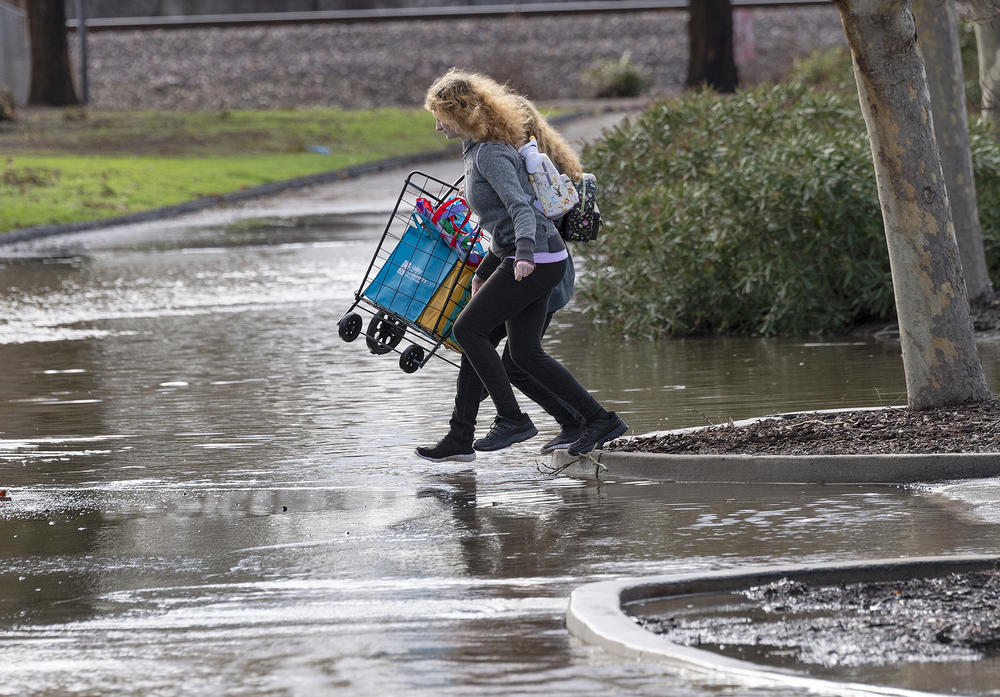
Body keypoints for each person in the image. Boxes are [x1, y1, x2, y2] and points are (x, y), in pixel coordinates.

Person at [422, 68, 627, 457]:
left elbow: (521, 210)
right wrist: (485, 271)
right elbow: (502, 224)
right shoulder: (479, 151)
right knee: (522, 354)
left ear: (460, 114)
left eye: (440, 116)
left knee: (470, 333)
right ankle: (597, 420)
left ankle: (511, 421)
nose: (436, 126)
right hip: (528, 256)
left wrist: (525, 256)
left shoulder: (493, 153)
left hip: (536, 258)